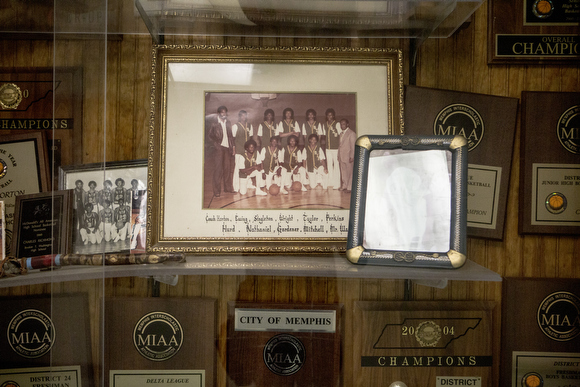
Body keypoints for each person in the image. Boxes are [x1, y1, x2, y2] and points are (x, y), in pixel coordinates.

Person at [208, 105, 235, 197]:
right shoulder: (214, 123)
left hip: (227, 148)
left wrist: (233, 147)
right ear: (218, 113)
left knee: (227, 169)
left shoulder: (228, 122)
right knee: (218, 170)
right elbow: (209, 136)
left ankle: (228, 188)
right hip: (218, 148)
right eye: (222, 112)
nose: (224, 114)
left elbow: (230, 136)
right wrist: (216, 145)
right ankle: (217, 191)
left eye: (225, 112)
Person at [232, 110, 254, 193]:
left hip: (247, 151)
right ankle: (236, 186)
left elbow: (251, 138)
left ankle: (248, 184)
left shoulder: (250, 126)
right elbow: (233, 139)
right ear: (239, 117)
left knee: (248, 166)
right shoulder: (235, 126)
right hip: (239, 150)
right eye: (242, 116)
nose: (244, 117)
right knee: (238, 168)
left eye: (245, 115)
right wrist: (234, 149)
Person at [324, 108, 342, 190]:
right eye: (328, 115)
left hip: (336, 148)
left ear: (333, 116)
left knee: (336, 165)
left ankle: (337, 183)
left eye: (331, 115)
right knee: (329, 165)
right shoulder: (325, 124)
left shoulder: (337, 124)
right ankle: (330, 182)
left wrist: (340, 147)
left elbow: (341, 136)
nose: (329, 116)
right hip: (328, 149)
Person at [337, 118, 357, 192]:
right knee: (343, 172)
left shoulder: (351, 133)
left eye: (344, 124)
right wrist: (338, 155)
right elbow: (340, 145)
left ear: (347, 124)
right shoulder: (341, 134)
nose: (342, 125)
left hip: (348, 156)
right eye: (341, 124)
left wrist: (352, 156)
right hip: (342, 156)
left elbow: (353, 146)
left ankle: (350, 187)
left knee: (349, 172)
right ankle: (344, 185)